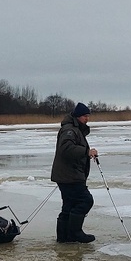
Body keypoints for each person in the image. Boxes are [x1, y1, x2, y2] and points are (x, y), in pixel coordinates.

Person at [49, 102, 97, 243]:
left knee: (69, 206)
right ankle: (75, 233)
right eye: (84, 116)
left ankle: (65, 238)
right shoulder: (69, 130)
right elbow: (66, 149)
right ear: (77, 116)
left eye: (88, 116)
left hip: (68, 174)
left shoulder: (74, 129)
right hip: (69, 176)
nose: (87, 119)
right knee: (85, 200)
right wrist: (86, 152)